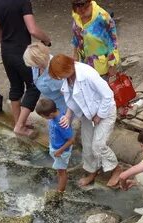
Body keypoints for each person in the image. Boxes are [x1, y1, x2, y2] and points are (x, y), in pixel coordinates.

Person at [49, 54, 122, 187]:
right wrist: (68, 115)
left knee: (98, 145)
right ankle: (92, 171)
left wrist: (99, 115)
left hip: (104, 111)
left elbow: (108, 95)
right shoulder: (68, 78)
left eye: (60, 75)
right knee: (87, 146)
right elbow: (71, 99)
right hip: (87, 114)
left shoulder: (87, 74)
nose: (60, 78)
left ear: (67, 68)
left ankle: (116, 169)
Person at [0, 0, 51, 137]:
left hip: (6, 51)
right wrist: (47, 40)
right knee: (34, 86)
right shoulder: (23, 2)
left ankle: (18, 122)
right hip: (22, 53)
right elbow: (33, 30)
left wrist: (7, 45)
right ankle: (20, 126)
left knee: (15, 86)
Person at [71, 0, 120, 79]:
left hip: (101, 68)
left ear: (89, 3)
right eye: (76, 6)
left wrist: (112, 65)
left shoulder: (102, 17)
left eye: (83, 7)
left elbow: (113, 42)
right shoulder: (76, 15)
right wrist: (75, 55)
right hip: (85, 66)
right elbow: (76, 37)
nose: (81, 12)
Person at [35, 98, 75, 192]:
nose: (44, 119)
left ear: (51, 114)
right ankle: (59, 177)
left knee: (62, 172)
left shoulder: (61, 123)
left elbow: (71, 140)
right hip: (56, 147)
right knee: (59, 169)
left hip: (61, 151)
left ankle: (60, 192)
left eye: (44, 117)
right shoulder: (54, 116)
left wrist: (59, 151)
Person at [23, 42, 67, 114]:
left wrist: (67, 115)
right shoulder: (37, 66)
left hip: (62, 109)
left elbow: (67, 93)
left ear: (38, 60)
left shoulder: (54, 73)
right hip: (51, 105)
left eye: (33, 65)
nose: (32, 67)